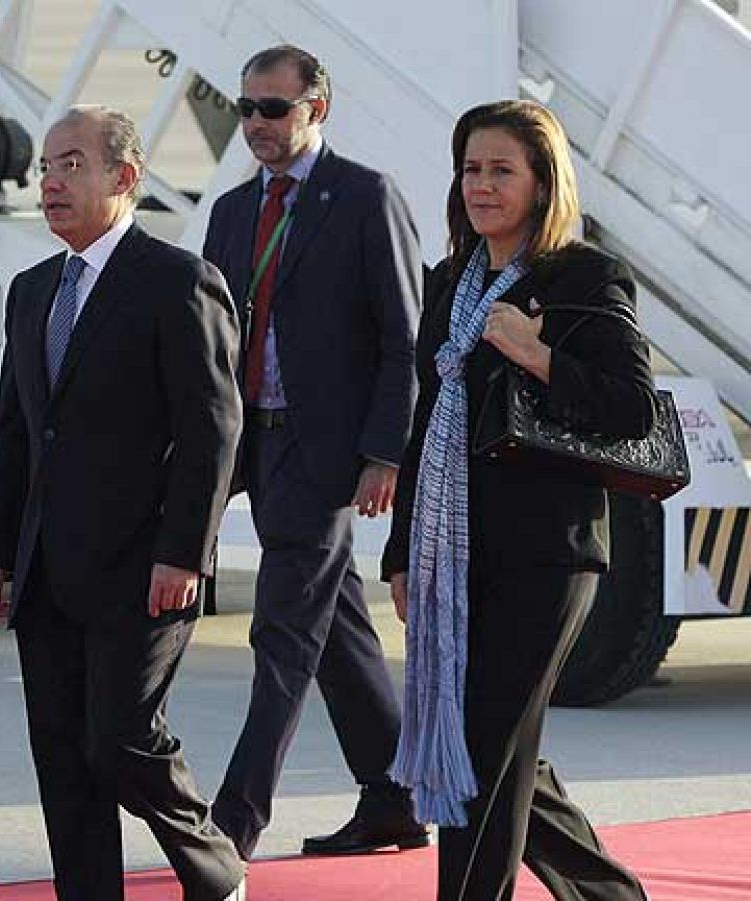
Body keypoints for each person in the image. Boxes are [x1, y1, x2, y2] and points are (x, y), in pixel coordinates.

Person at [0, 105, 247, 901]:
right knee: (62, 758)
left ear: (125, 177)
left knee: (120, 739)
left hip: (144, 564)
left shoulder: (177, 280)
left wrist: (184, 551)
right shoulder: (33, 291)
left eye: (72, 164)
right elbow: (15, 431)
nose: (51, 182)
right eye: (45, 167)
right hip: (47, 567)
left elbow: (212, 429)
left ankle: (214, 866)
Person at [385, 99, 650, 901]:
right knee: (506, 752)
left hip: (546, 554)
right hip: (453, 556)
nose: (482, 185)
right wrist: (402, 554)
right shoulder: (449, 282)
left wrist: (537, 356)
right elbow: (425, 421)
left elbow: (632, 408)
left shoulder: (585, 277)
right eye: (471, 168)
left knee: (481, 750)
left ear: (543, 182)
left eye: (502, 170)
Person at [200, 44, 426, 859]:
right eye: (246, 108)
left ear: (315, 109)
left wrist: (386, 453)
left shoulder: (364, 196)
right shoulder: (232, 210)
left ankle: (233, 822)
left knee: (284, 630)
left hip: (325, 452)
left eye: (273, 109)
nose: (255, 123)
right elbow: (211, 340)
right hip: (252, 442)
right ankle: (395, 795)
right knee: (335, 627)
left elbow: (404, 338)